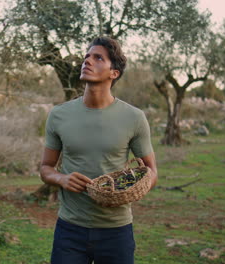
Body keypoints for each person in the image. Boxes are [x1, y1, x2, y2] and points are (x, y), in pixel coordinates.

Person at [39, 36, 158, 264]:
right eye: (86, 56)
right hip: (70, 230)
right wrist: (61, 179)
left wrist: (132, 189)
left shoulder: (134, 118)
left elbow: (152, 172)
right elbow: (45, 168)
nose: (87, 61)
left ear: (114, 73)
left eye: (98, 58)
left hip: (116, 230)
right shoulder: (59, 115)